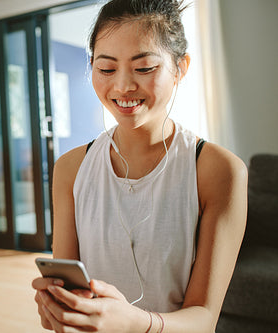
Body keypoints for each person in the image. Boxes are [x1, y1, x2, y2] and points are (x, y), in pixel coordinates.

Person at [32, 0, 248, 332]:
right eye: (106, 69)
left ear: (180, 68)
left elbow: (204, 318)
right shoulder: (70, 168)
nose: (122, 86)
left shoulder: (217, 171)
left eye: (144, 68)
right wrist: (60, 309)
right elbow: (69, 290)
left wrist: (138, 324)